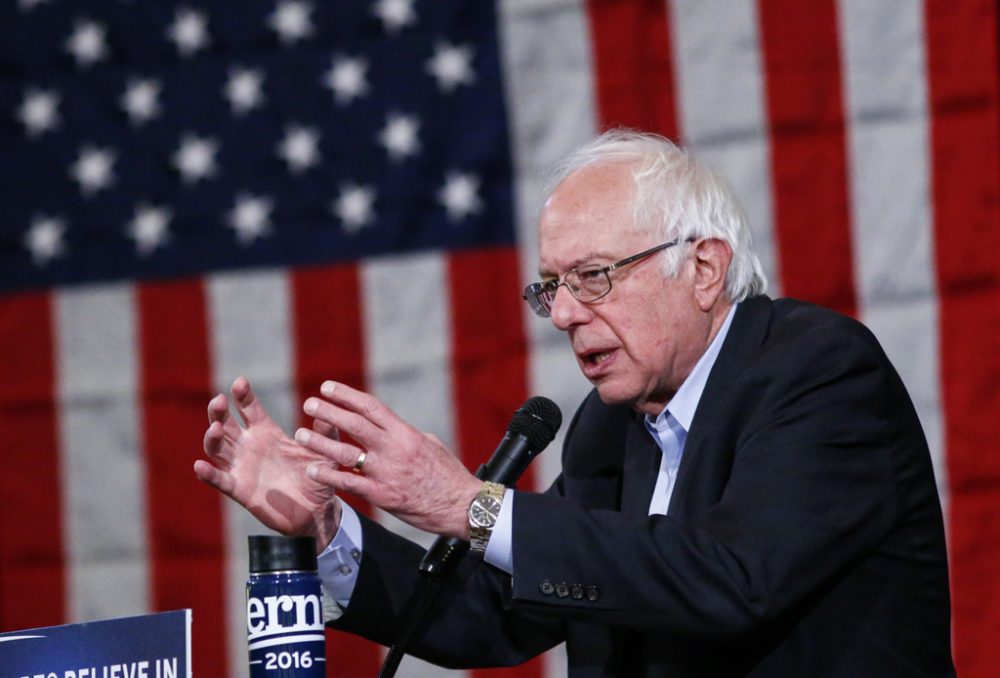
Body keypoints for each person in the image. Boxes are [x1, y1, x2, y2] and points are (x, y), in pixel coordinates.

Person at [195, 130, 955, 676]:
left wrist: (473, 505)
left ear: (702, 268)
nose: (562, 316)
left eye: (593, 277)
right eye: (550, 288)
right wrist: (332, 533)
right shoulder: (607, 430)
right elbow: (492, 615)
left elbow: (731, 579)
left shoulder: (816, 371)